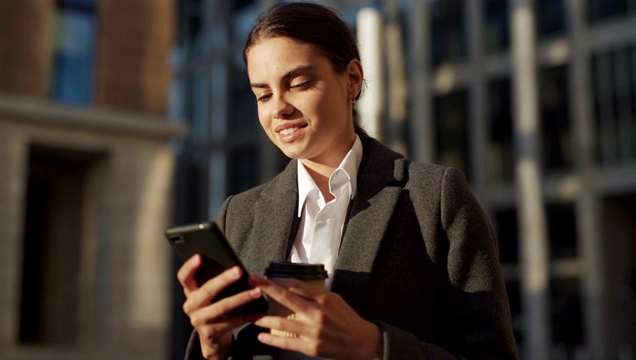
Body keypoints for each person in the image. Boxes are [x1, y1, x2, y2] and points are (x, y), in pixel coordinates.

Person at [177, 2, 519, 360]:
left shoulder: (434, 199)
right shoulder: (239, 215)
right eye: (262, 95)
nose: (278, 107)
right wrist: (213, 348)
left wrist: (374, 346)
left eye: (299, 83)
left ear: (352, 79)